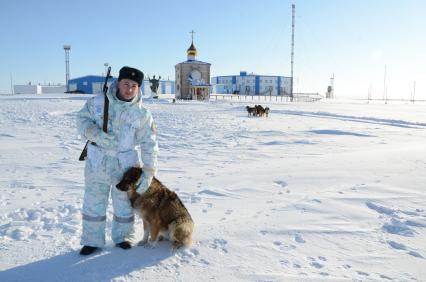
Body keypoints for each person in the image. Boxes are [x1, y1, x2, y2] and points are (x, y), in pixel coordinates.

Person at [77, 66, 158, 255]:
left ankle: (123, 237)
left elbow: (149, 143)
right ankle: (92, 240)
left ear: (138, 88)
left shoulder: (143, 114)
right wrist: (96, 134)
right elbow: (81, 120)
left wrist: (149, 170)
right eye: (126, 84)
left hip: (125, 166)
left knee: (124, 204)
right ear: (118, 83)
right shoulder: (98, 102)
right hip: (97, 162)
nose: (129, 89)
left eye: (134, 86)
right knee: (93, 202)